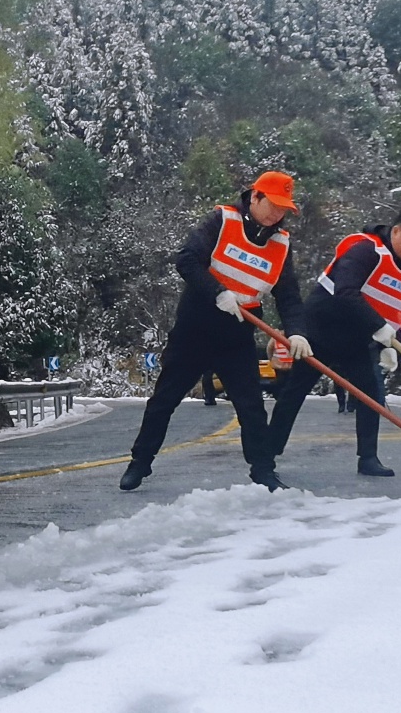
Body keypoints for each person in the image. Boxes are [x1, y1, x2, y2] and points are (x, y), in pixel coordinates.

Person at [119, 171, 312, 493]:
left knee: (251, 406)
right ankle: (140, 461)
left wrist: (297, 332)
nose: (277, 214)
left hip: (236, 335)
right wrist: (218, 292)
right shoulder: (223, 220)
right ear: (255, 197)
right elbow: (187, 259)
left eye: (284, 209)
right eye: (273, 205)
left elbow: (288, 293)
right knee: (164, 401)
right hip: (195, 328)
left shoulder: (281, 243)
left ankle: (263, 469)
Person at [304, 207, 401, 478]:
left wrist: (388, 345)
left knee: (372, 396)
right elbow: (346, 292)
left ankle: (368, 458)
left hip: (358, 338)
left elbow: (392, 313)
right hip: (324, 327)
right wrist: (379, 329)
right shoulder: (367, 250)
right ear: (396, 231)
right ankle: (268, 453)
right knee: (295, 390)